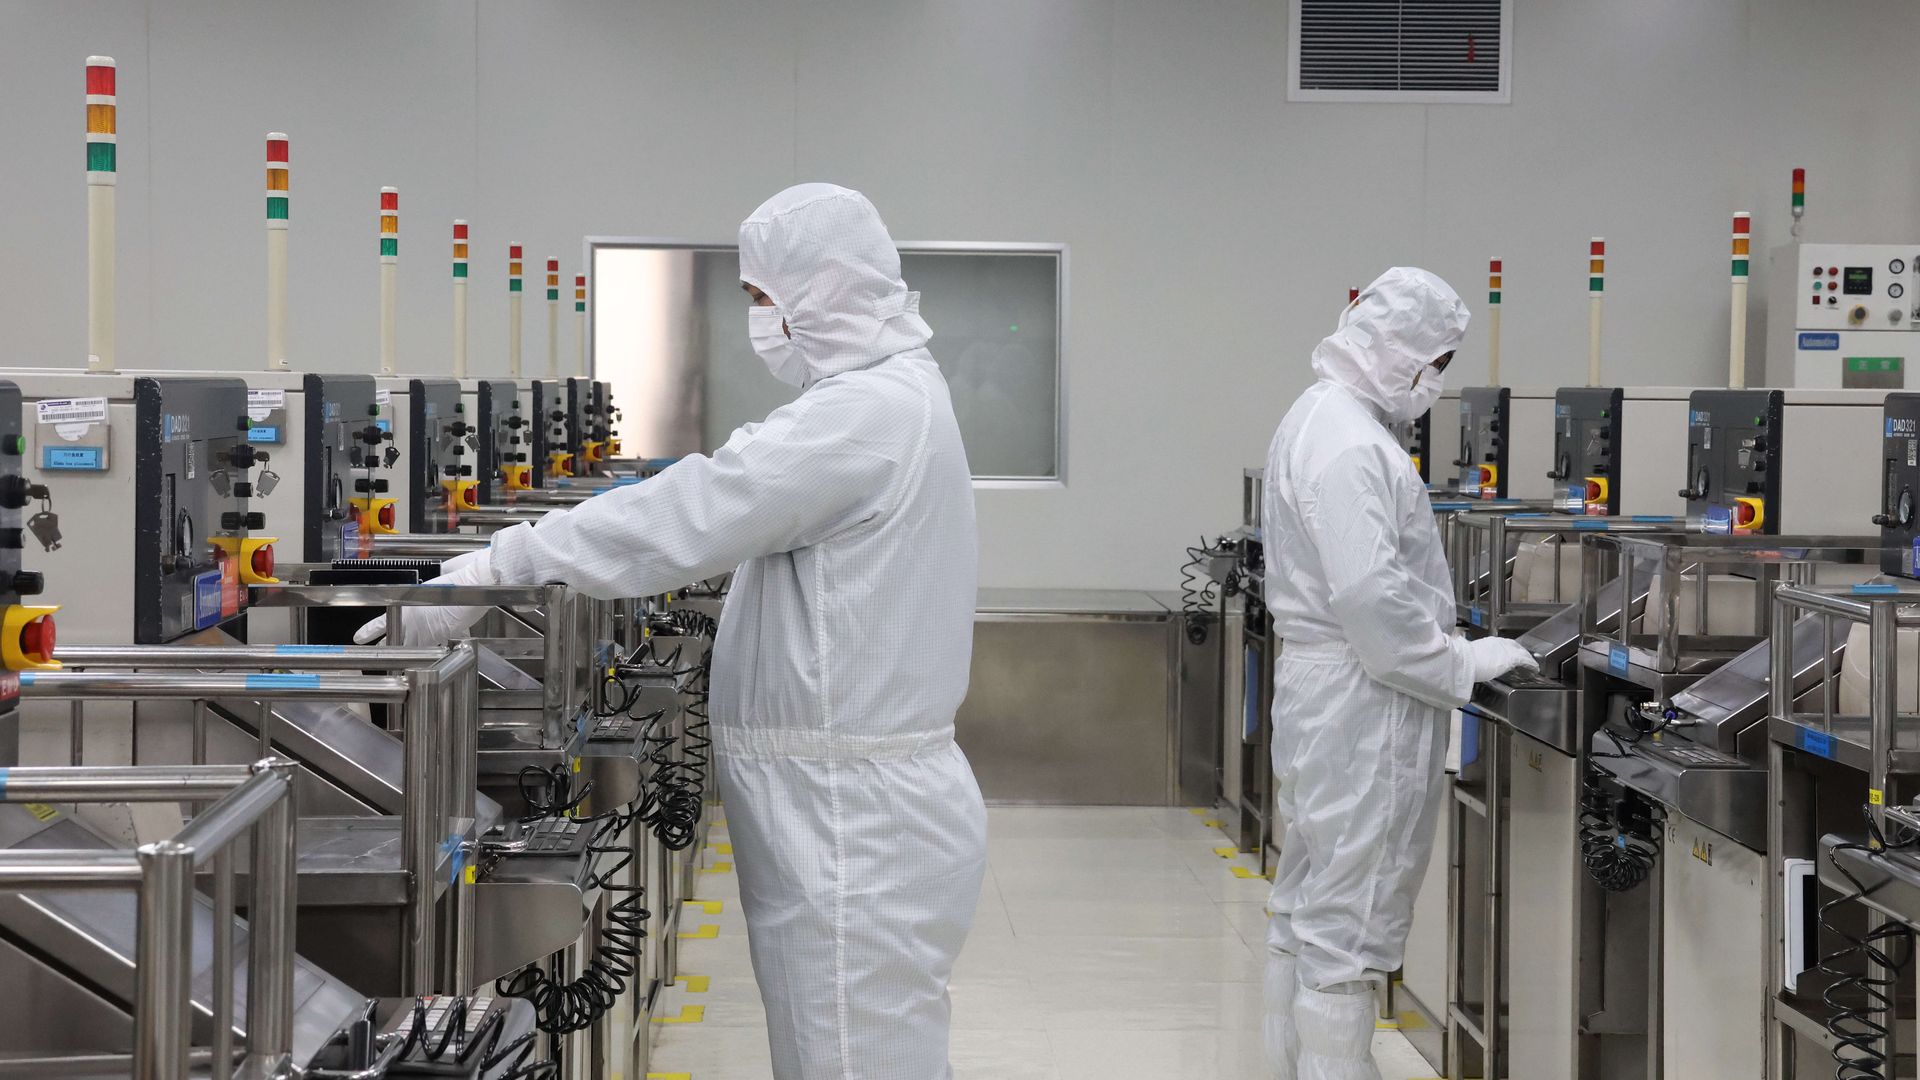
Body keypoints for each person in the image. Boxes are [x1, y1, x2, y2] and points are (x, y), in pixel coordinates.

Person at [358, 183, 989, 1080]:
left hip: (857, 826)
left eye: (763, 300)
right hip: (849, 809)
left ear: (820, 294)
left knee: (850, 1059)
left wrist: (499, 568)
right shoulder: (885, 400)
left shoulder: (866, 417)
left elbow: (693, 510)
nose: (758, 323)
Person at [1260, 268, 1537, 1080]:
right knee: (1344, 930)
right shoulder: (1350, 445)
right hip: (1362, 703)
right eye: (1435, 362)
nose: (1435, 382)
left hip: (1327, 693)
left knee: (1306, 907)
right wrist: (1463, 660)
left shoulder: (1317, 418)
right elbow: (1372, 599)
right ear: (1402, 352)